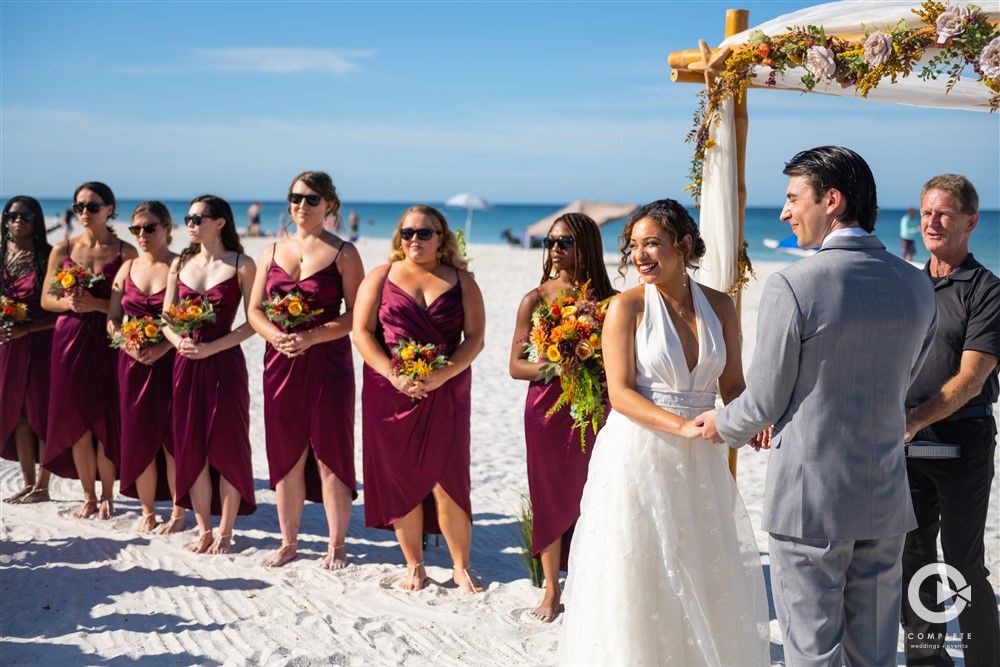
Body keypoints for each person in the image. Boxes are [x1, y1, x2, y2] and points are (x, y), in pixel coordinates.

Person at [696, 146, 939, 667]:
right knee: (874, 655)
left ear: (832, 200)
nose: (785, 212)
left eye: (793, 198)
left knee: (811, 652)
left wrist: (721, 423)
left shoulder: (794, 284)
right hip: (884, 497)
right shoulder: (918, 284)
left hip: (810, 502)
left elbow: (764, 400)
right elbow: (905, 380)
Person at [558, 199, 769, 665]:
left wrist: (753, 419)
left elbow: (733, 387)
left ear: (684, 244)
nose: (639, 255)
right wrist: (682, 427)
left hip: (701, 458)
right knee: (643, 567)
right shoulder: (626, 307)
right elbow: (620, 394)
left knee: (701, 561)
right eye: (634, 245)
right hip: (640, 451)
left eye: (651, 243)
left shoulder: (721, 306)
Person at [353, 204, 486, 594]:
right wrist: (394, 375)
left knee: (449, 479)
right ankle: (415, 565)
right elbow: (362, 333)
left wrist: (443, 374)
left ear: (440, 238)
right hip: (389, 392)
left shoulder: (462, 281)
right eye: (407, 232)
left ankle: (461, 567)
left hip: (447, 390)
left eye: (424, 232)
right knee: (402, 478)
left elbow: (475, 338)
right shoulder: (380, 276)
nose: (414, 239)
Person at [900, 174, 1000, 667]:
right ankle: (927, 660)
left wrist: (913, 420)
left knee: (962, 561)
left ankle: (984, 659)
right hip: (907, 441)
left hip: (963, 440)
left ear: (970, 222)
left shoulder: (988, 290)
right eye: (926, 213)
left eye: (944, 214)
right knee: (914, 556)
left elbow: (972, 379)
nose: (932, 222)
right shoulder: (909, 285)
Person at [248, 172, 364, 569]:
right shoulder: (270, 251)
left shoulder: (344, 253)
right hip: (280, 362)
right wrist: (276, 336)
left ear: (329, 204)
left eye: (312, 199)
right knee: (286, 454)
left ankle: (337, 544)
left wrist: (313, 336)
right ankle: (289, 542)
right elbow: (254, 310)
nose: (302, 205)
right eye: (296, 197)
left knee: (331, 452)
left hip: (329, 363)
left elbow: (357, 315)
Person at [508, 212, 615, 622]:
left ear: (586, 246)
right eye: (550, 242)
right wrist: (561, 367)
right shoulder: (534, 299)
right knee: (549, 497)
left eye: (564, 242)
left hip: (597, 409)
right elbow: (516, 366)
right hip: (545, 413)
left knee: (597, 495)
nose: (555, 249)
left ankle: (592, 584)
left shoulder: (613, 301)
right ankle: (552, 590)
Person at [162, 195, 257, 555]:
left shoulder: (242, 264)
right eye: (188, 218)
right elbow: (166, 319)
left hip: (224, 363)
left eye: (198, 218)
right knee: (191, 446)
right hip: (186, 364)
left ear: (220, 223)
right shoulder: (180, 263)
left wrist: (211, 348)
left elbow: (254, 322)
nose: (190, 224)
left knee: (228, 443)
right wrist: (179, 342)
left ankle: (226, 531)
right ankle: (203, 529)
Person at [41, 182, 138, 520]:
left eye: (92, 206)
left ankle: (108, 495)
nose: (84, 212)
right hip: (68, 340)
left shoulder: (126, 252)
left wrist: (97, 304)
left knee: (105, 417)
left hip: (107, 339)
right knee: (76, 420)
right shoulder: (62, 248)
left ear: (110, 209)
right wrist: (67, 302)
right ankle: (88, 495)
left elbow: (135, 303)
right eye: (79, 206)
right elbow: (46, 299)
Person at [107, 201, 186, 534]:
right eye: (136, 229)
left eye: (150, 227)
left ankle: (178, 513)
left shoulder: (181, 265)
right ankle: (148, 510)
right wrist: (129, 347)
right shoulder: (127, 268)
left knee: (172, 438)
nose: (142, 234)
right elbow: (113, 320)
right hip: (132, 363)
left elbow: (189, 317)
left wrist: (164, 346)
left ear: (168, 228)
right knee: (138, 436)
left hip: (171, 361)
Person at [1, 196, 56, 504]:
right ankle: (27, 482)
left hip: (42, 342)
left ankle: (44, 485)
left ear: (37, 220)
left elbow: (61, 312)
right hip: (8, 344)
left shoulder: (49, 257)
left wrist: (28, 328)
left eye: (25, 215)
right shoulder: (0, 255)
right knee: (18, 413)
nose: (18, 221)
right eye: (11, 215)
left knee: (41, 413)